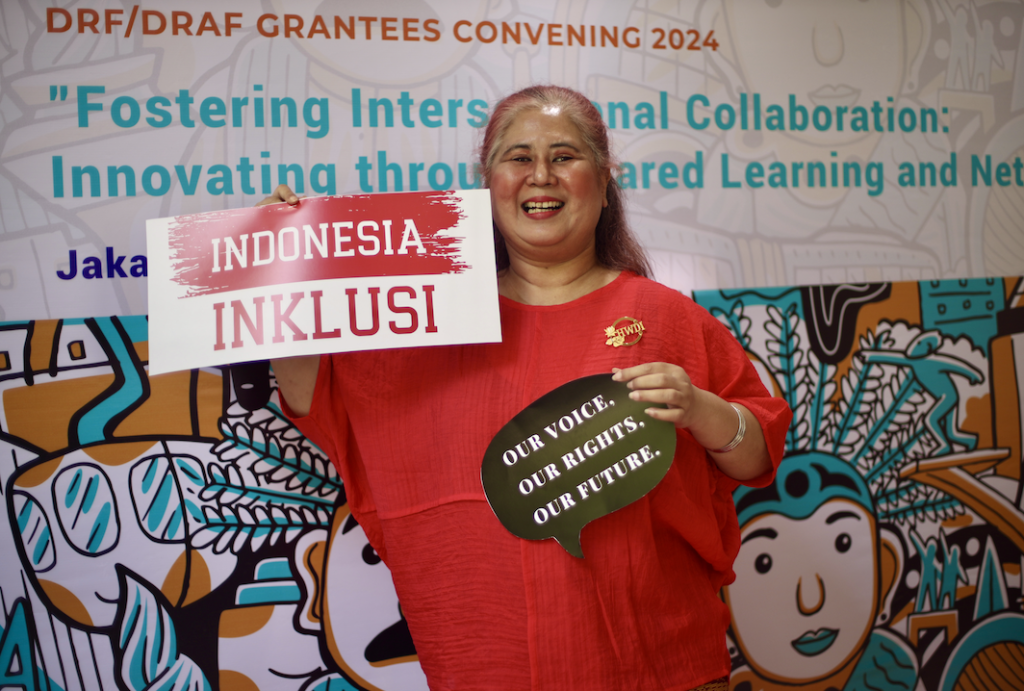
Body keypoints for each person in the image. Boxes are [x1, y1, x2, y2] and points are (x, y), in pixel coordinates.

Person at [262, 85, 791, 691]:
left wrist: (701, 409)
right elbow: (317, 393)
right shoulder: (431, 326)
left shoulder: (665, 316)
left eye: (565, 156)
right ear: (486, 185)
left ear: (605, 180)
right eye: (518, 158)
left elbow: (758, 456)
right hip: (487, 664)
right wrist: (287, 261)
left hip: (659, 665)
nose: (541, 176)